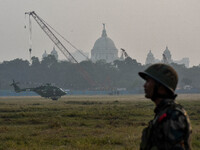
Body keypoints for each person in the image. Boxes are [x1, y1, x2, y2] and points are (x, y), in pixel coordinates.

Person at [138, 63, 192, 150]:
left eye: (148, 81)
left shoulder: (173, 115)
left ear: (160, 86)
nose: (144, 85)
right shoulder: (163, 112)